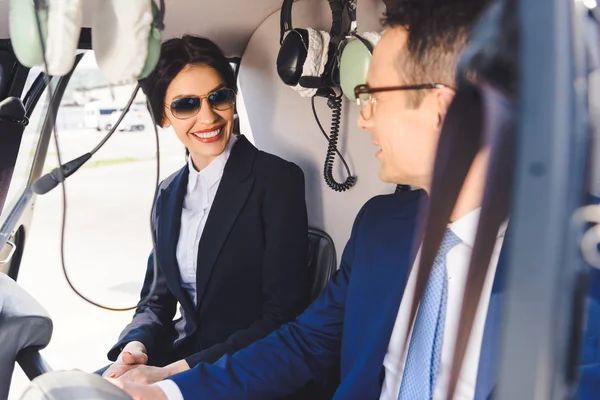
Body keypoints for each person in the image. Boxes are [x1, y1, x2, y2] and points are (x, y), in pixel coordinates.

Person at [108, 1, 600, 399]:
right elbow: (304, 343)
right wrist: (170, 390)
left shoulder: (583, 262)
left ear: (441, 109)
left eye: (373, 97)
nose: (363, 119)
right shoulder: (383, 225)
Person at [99, 35, 310, 384]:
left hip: (242, 366)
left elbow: (281, 316)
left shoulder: (276, 180)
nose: (208, 117)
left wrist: (171, 373)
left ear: (233, 99)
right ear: (163, 117)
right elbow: (156, 301)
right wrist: (135, 346)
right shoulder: (167, 192)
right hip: (176, 352)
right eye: (186, 105)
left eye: (219, 97)